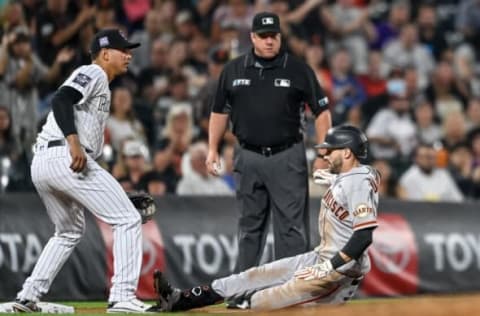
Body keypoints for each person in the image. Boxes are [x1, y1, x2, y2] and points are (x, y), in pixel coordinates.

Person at [152, 125, 379, 312]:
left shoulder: (356, 182)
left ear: (348, 153)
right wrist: (336, 180)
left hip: (338, 273)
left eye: (331, 150)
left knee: (260, 303)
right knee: (250, 277)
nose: (325, 154)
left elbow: (363, 236)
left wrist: (330, 266)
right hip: (319, 258)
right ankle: (178, 299)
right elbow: (368, 176)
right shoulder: (357, 175)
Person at [12, 29, 152, 313]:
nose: (129, 55)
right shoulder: (95, 72)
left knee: (68, 231)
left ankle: (28, 297)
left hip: (45, 162)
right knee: (127, 219)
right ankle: (123, 295)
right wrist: (73, 143)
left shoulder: (103, 84)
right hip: (66, 155)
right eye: (123, 50)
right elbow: (61, 99)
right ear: (104, 54)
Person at [206, 11, 332, 273]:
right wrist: (212, 149)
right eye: (263, 36)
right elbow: (219, 112)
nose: (269, 41)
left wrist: (323, 154)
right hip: (247, 155)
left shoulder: (298, 69)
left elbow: (322, 112)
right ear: (252, 37)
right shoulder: (233, 70)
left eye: (273, 35)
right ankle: (243, 291)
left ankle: (293, 289)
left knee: (292, 227)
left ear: (280, 36)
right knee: (249, 227)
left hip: (287, 155)